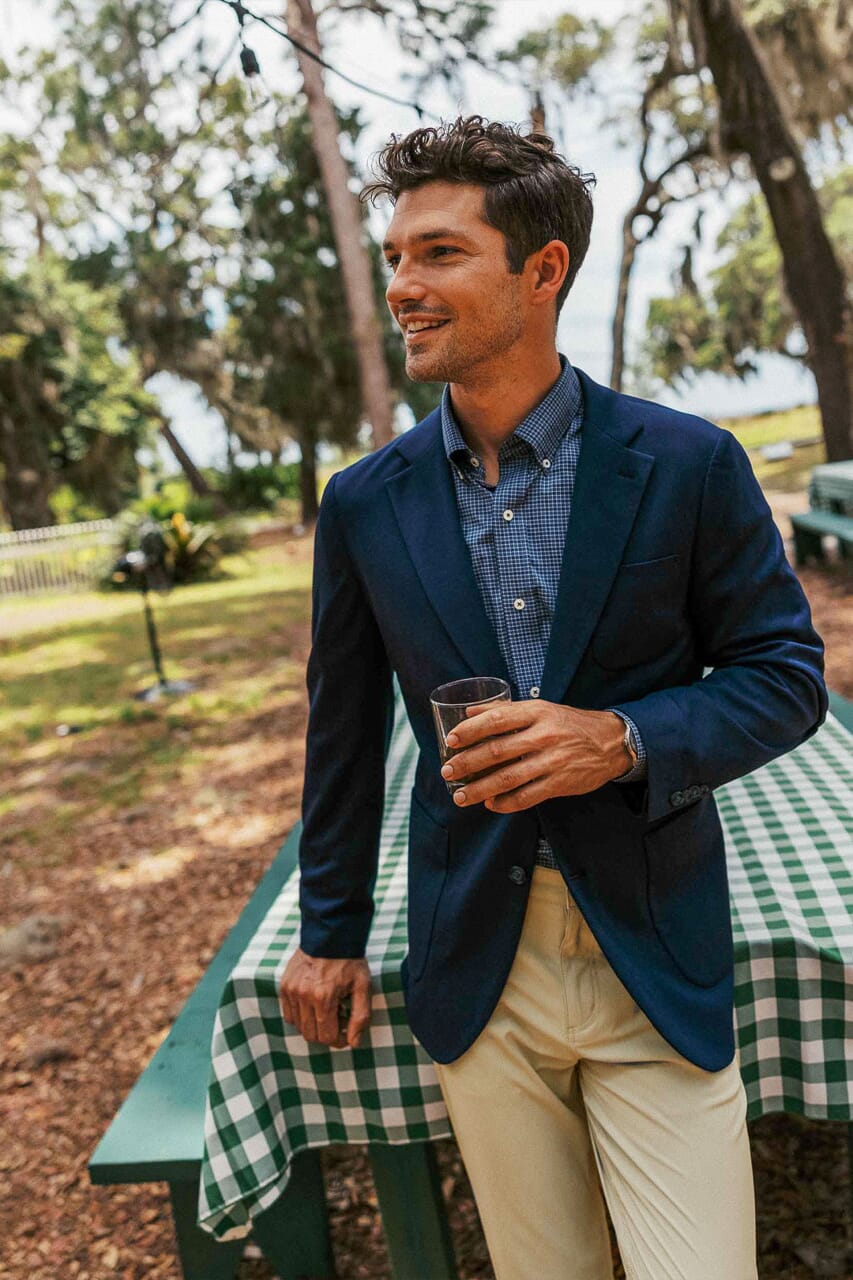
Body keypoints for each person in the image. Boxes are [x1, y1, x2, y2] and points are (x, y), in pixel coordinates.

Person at [279, 116, 826, 1279]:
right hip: (477, 955)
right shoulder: (365, 504)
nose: (401, 285)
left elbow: (784, 678)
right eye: (395, 256)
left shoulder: (686, 463)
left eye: (438, 253)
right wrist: (326, 931)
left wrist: (622, 738)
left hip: (653, 942)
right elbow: (342, 732)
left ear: (542, 271)